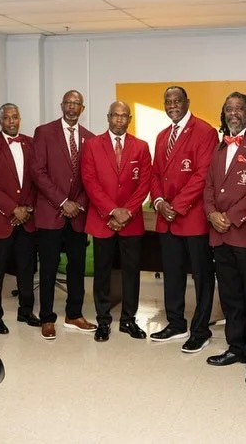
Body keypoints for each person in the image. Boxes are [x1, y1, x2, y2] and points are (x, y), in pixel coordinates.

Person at [203, 92, 246, 386]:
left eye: (239, 108)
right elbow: (208, 186)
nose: (233, 113)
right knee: (230, 297)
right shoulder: (219, 147)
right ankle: (236, 347)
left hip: (244, 234)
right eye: (228, 108)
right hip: (220, 235)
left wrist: (230, 217)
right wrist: (211, 213)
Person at [149, 86, 218, 353]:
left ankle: (200, 329)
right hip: (166, 219)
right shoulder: (162, 135)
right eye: (168, 101)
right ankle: (176, 323)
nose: (172, 105)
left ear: (188, 102)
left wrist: (175, 206)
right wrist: (158, 202)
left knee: (201, 276)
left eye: (177, 100)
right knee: (172, 275)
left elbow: (202, 175)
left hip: (192, 218)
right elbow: (155, 174)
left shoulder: (205, 131)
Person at [80, 101, 151, 342]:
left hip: (131, 220)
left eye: (124, 116)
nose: (119, 120)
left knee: (131, 272)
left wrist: (127, 212)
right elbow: (89, 181)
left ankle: (129, 320)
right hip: (103, 220)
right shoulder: (91, 145)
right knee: (102, 272)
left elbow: (144, 184)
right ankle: (103, 321)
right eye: (115, 116)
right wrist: (111, 211)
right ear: (108, 117)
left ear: (129, 120)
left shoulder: (141, 147)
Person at [31, 90, 97, 340]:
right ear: (61, 106)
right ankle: (47, 318)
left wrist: (77, 203)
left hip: (77, 215)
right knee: (48, 267)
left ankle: (74, 314)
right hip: (51, 212)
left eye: (76, 104)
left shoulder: (90, 139)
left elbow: (89, 178)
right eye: (68, 103)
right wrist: (62, 201)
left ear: (83, 108)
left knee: (76, 267)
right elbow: (38, 172)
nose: (71, 107)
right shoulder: (44, 132)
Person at [0, 103, 40, 335]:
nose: (12, 121)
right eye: (7, 118)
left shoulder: (30, 143)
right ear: (0, 120)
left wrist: (27, 208)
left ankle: (26, 311)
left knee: (26, 268)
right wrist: (14, 209)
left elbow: (37, 179)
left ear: (20, 118)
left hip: (27, 218)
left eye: (15, 117)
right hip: (1, 219)